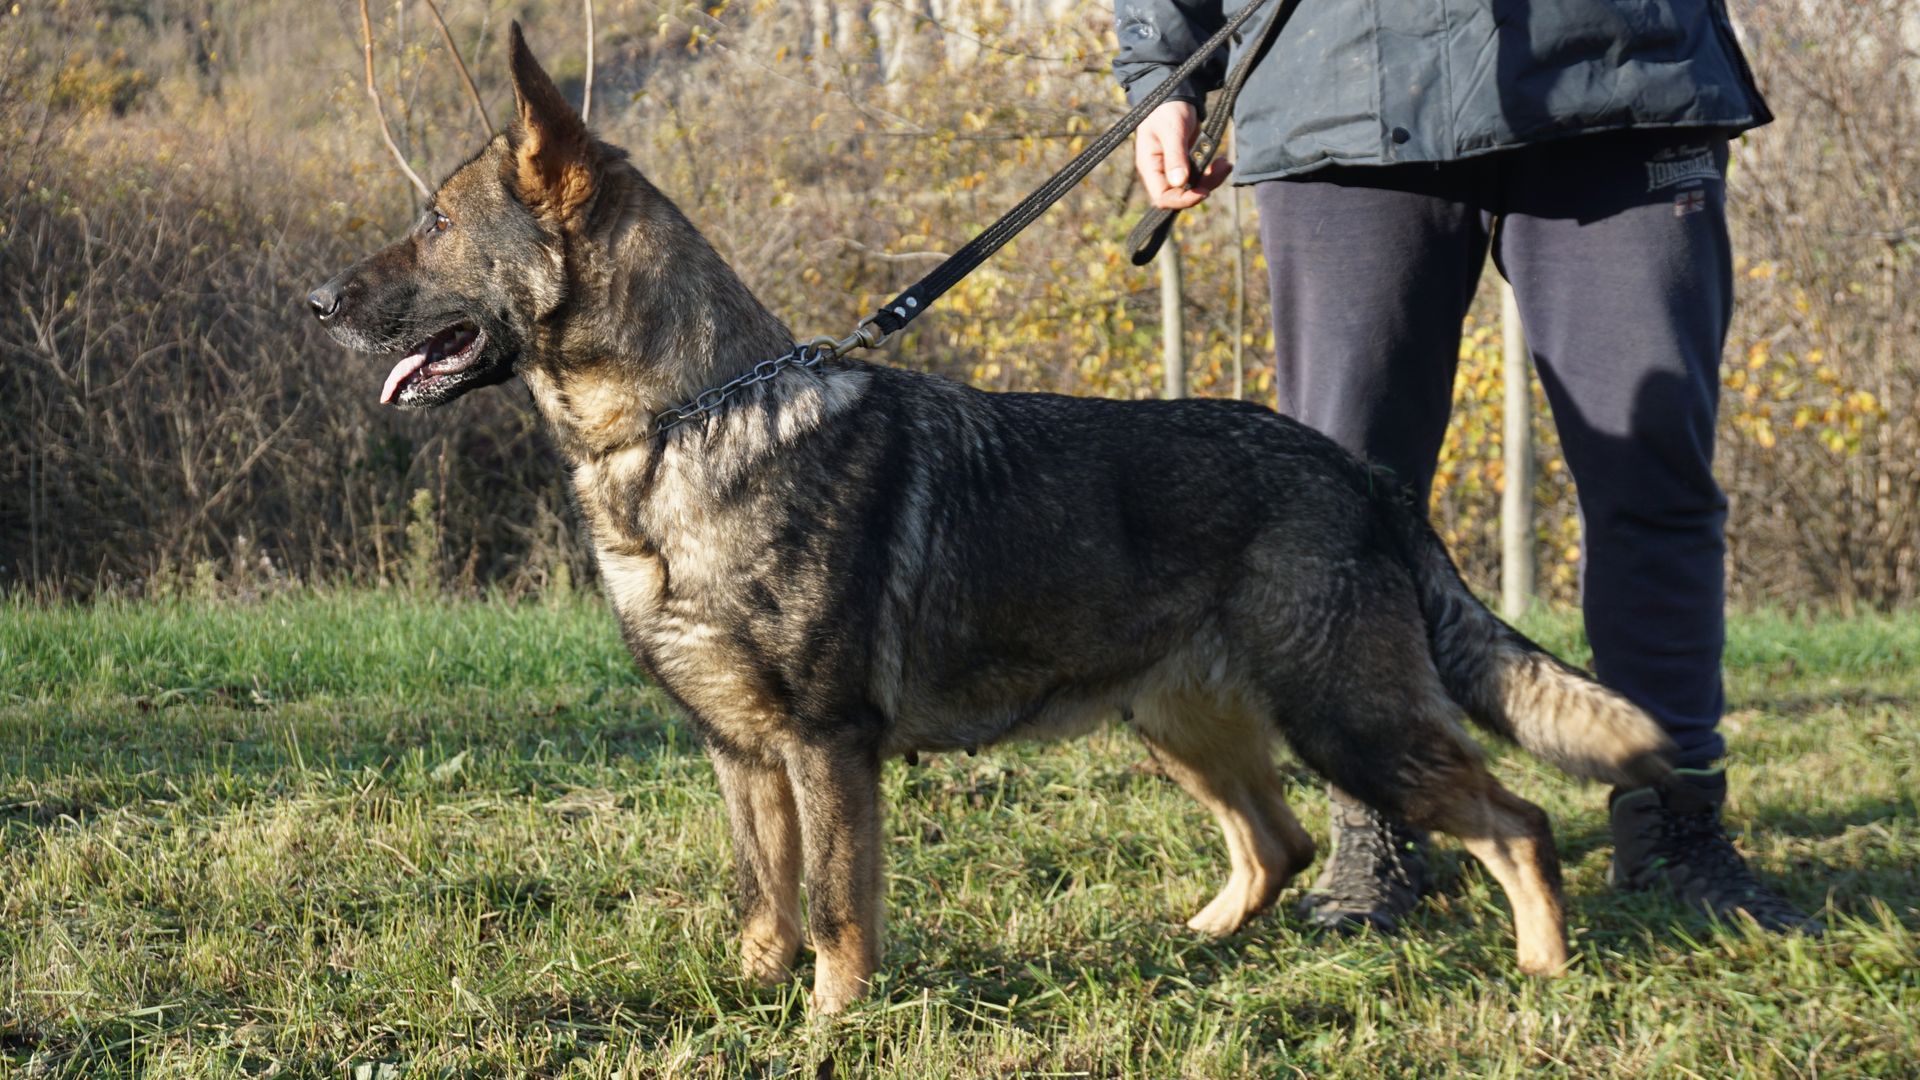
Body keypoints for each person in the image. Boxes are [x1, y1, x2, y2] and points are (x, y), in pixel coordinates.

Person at [1114, 0, 1820, 935]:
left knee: (1654, 477)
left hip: (1624, 76)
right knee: (1335, 511)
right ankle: (1378, 815)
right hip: (1338, 81)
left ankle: (1676, 824)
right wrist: (1164, 73)